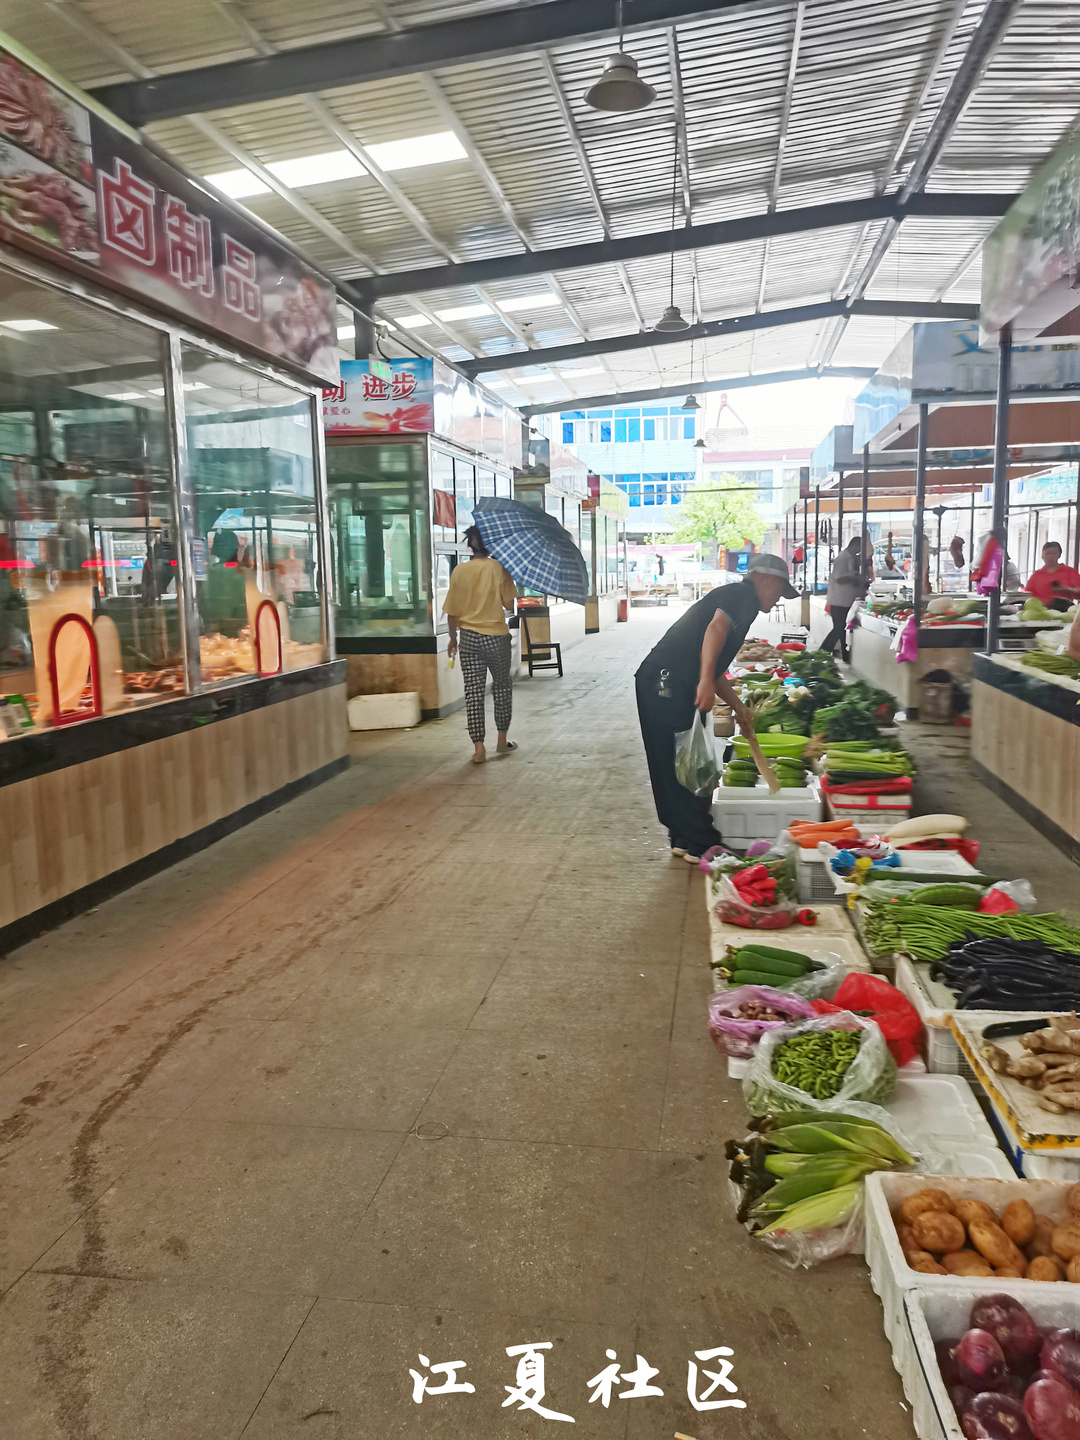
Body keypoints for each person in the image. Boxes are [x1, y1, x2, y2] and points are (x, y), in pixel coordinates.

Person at [635, 553, 799, 864]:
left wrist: (738, 706)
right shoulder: (742, 595)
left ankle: (683, 838)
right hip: (664, 679)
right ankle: (703, 842)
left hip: (669, 679)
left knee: (683, 759)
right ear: (768, 581)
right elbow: (715, 630)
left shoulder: (743, 601)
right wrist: (705, 683)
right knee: (674, 760)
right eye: (779, 591)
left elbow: (716, 663)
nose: (777, 599)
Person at [443, 525, 518, 764]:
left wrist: (453, 639)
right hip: (496, 637)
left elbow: (451, 610)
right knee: (502, 687)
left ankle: (478, 749)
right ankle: (501, 740)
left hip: (468, 638)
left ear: (469, 545)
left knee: (473, 693)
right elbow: (509, 604)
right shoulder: (499, 568)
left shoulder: (458, 571)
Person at [821, 535, 872, 662]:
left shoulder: (851, 558)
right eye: (859, 548)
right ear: (855, 546)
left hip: (846, 600)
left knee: (842, 629)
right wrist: (857, 578)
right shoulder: (842, 558)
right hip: (839, 600)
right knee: (839, 628)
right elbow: (840, 577)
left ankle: (844, 655)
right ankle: (823, 652)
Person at [1024, 541, 1080, 612]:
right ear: (1042, 556)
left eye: (1053, 553)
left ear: (1059, 555)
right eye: (1047, 553)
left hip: (1063, 612)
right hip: (1039, 612)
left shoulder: (1070, 572)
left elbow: (1078, 593)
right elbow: (1027, 595)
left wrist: (1067, 590)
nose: (1050, 556)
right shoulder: (1036, 575)